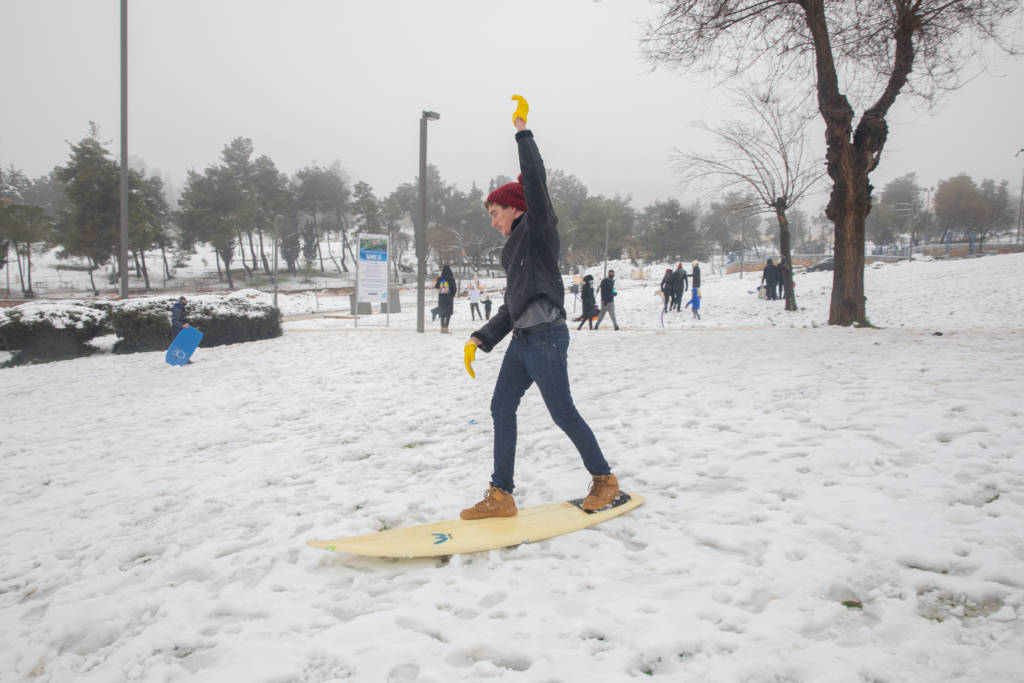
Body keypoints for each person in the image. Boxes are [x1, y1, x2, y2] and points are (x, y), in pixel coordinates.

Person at [460, 108, 619, 519]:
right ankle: (501, 496)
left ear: (514, 209)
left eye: (495, 213)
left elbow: (536, 183)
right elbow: (512, 307)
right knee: (500, 408)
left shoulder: (540, 229)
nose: (493, 222)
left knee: (562, 411)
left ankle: (604, 480)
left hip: (547, 337)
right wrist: (482, 337)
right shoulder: (512, 252)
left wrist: (523, 135)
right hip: (522, 341)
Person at [434, 265, 456, 333]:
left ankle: (442, 329)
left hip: (441, 299)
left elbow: (436, 286)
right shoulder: (451, 278)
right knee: (448, 314)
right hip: (449, 299)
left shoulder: (440, 278)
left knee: (442, 314)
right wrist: (452, 295)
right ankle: (446, 329)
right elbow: (454, 289)